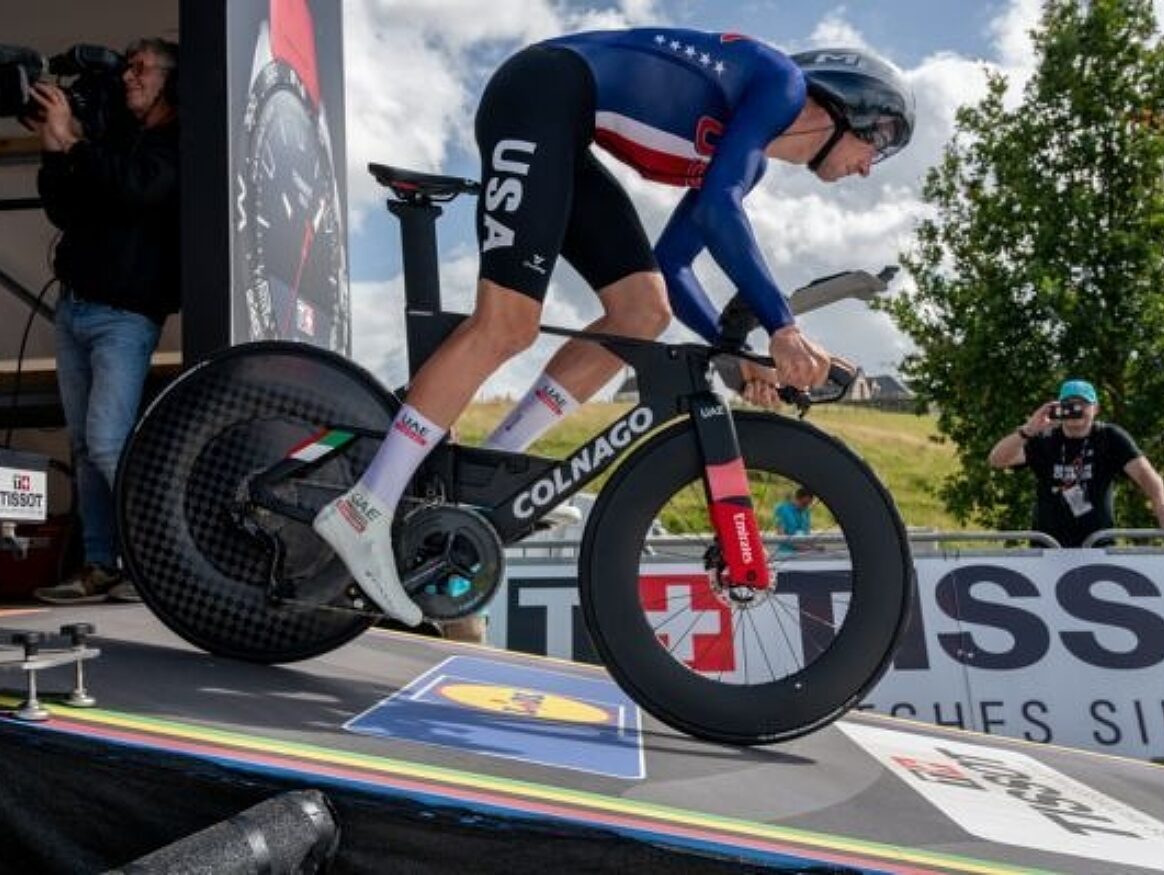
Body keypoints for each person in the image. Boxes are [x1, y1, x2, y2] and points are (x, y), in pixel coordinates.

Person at [315, 30, 917, 625]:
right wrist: (781, 328)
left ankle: (494, 472)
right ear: (846, 107)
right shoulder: (782, 85)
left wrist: (737, 355)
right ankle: (365, 508)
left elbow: (676, 265)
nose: (870, 169)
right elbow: (717, 211)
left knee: (642, 311)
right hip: (542, 91)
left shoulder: (748, 158)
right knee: (508, 323)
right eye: (879, 144)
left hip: (565, 129)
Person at [31, 38, 180, 604]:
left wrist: (74, 140)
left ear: (170, 80)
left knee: (108, 442)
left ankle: (161, 563)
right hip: (74, 306)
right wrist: (54, 151)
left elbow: (138, 189)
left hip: (124, 316)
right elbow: (64, 209)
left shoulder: (173, 145)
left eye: (141, 69)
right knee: (82, 442)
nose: (128, 78)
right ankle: (101, 564)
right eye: (127, 68)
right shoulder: (117, 138)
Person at [987, 379, 1164, 548]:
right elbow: (996, 460)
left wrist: (1162, 507)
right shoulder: (1044, 438)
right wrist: (1028, 430)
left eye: (1083, 404)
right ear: (1058, 408)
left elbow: (1147, 476)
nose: (1076, 409)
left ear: (1096, 408)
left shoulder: (1110, 437)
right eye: (1069, 404)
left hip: (1097, 546)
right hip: (1048, 547)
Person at [773, 487, 815, 554]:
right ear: (796, 499)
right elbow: (780, 535)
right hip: (786, 553)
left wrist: (813, 547)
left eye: (808, 504)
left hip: (804, 554)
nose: (806, 507)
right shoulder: (782, 509)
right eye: (804, 503)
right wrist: (799, 547)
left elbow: (807, 535)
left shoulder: (806, 512)